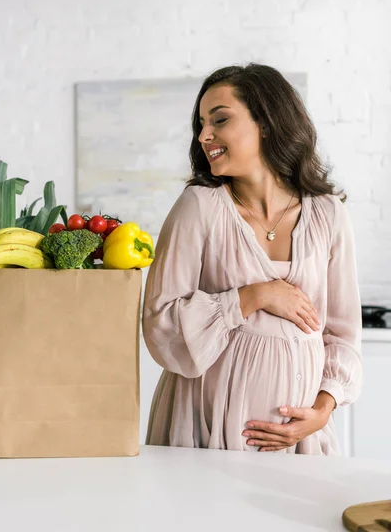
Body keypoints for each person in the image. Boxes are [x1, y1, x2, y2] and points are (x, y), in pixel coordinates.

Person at [142, 63, 362, 454]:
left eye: (220, 120)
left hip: (301, 440)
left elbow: (343, 334)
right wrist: (254, 295)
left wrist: (322, 411)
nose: (204, 135)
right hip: (204, 426)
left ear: (266, 122)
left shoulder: (328, 214)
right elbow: (161, 323)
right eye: (201, 124)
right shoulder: (199, 207)